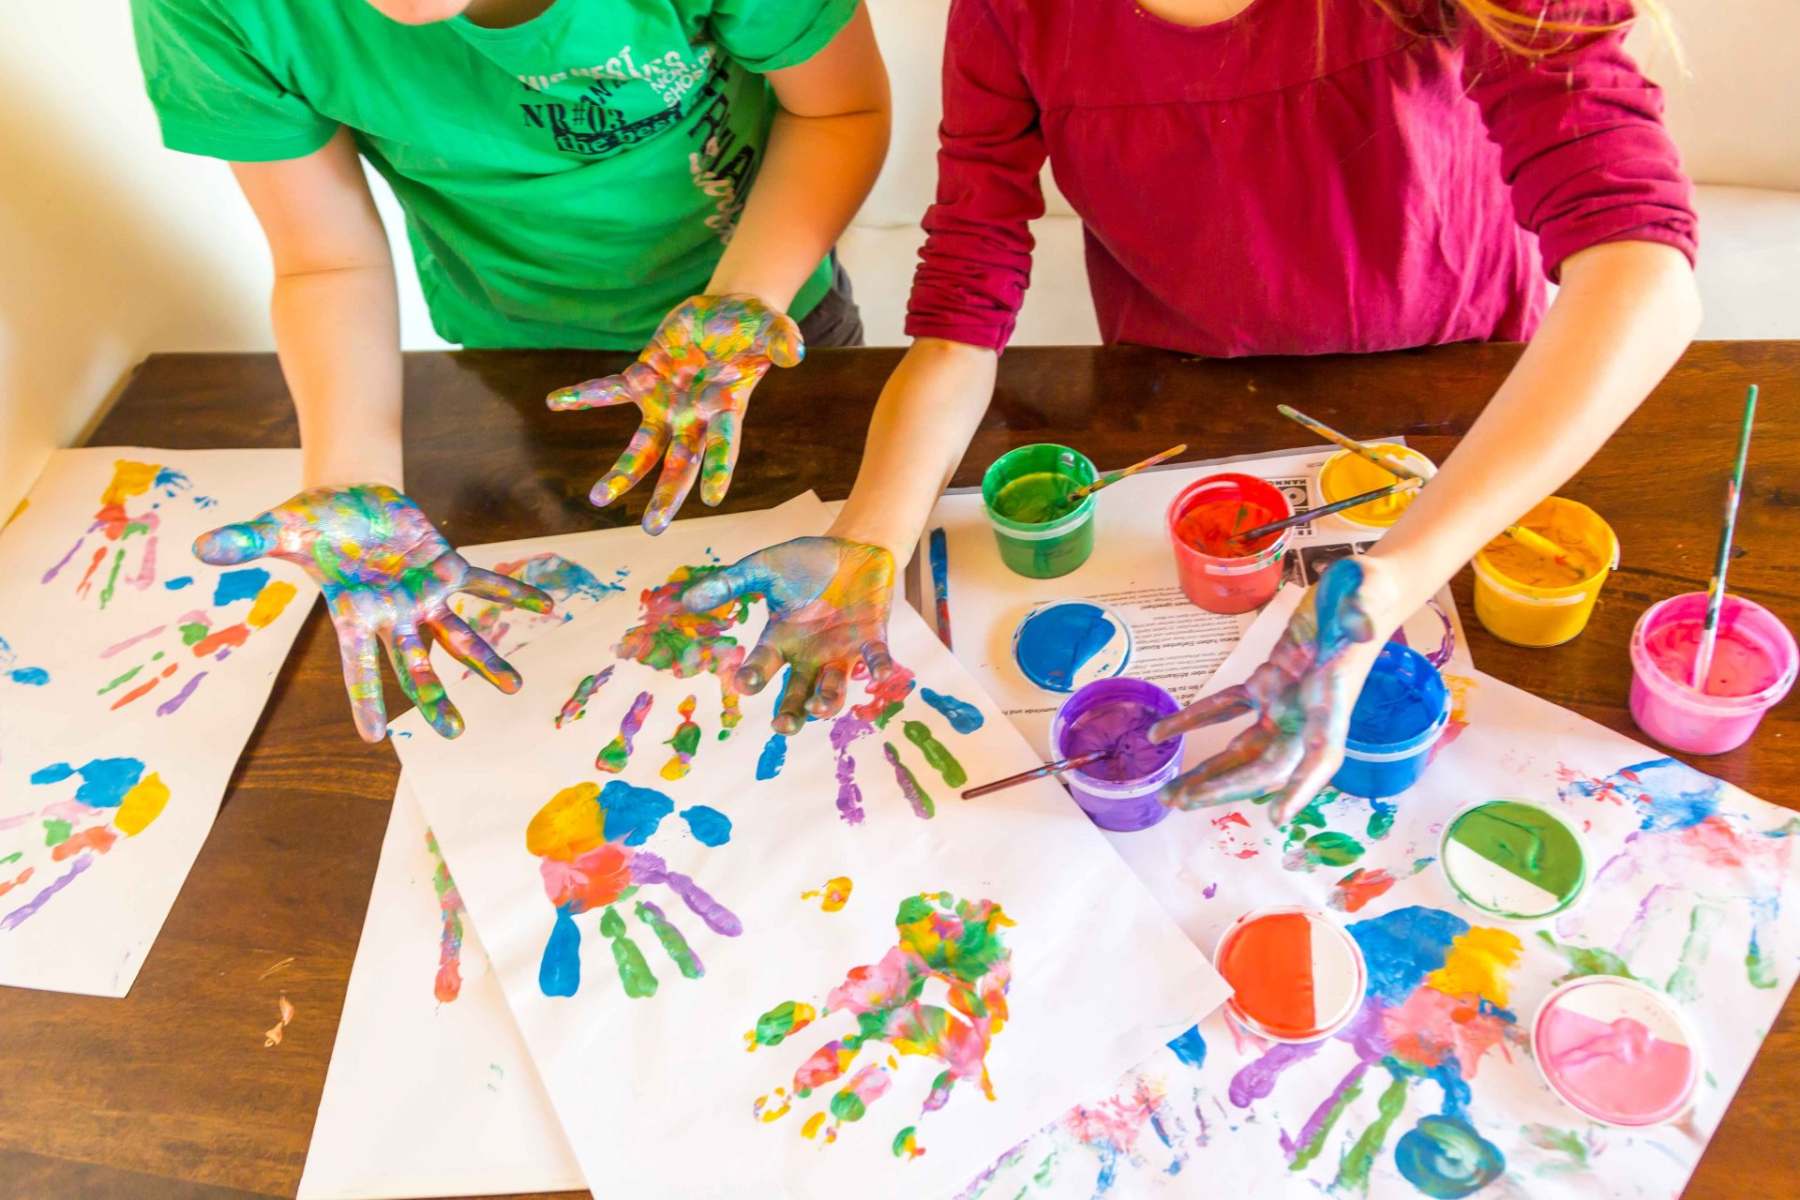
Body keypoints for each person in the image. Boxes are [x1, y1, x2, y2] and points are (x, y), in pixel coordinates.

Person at [689, 0, 1701, 820]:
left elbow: (1644, 276)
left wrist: (1388, 582)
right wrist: (868, 539)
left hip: (1459, 403)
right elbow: (963, 311)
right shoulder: (1007, 12)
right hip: (1188, 393)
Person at [129, 0, 891, 740]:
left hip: (766, 321)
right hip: (517, 355)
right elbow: (325, 261)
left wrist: (744, 296)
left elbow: (838, 111)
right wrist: (353, 476)